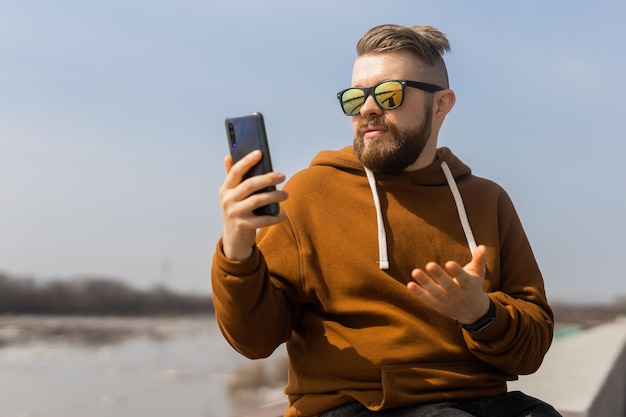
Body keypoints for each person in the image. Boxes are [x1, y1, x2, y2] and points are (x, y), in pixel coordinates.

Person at [212, 24, 561, 417]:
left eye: (388, 94)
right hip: (355, 405)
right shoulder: (310, 194)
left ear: (441, 104)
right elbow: (253, 340)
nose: (367, 109)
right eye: (355, 97)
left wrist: (479, 312)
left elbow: (530, 351)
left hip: (481, 401)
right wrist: (237, 247)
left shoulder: (487, 200)